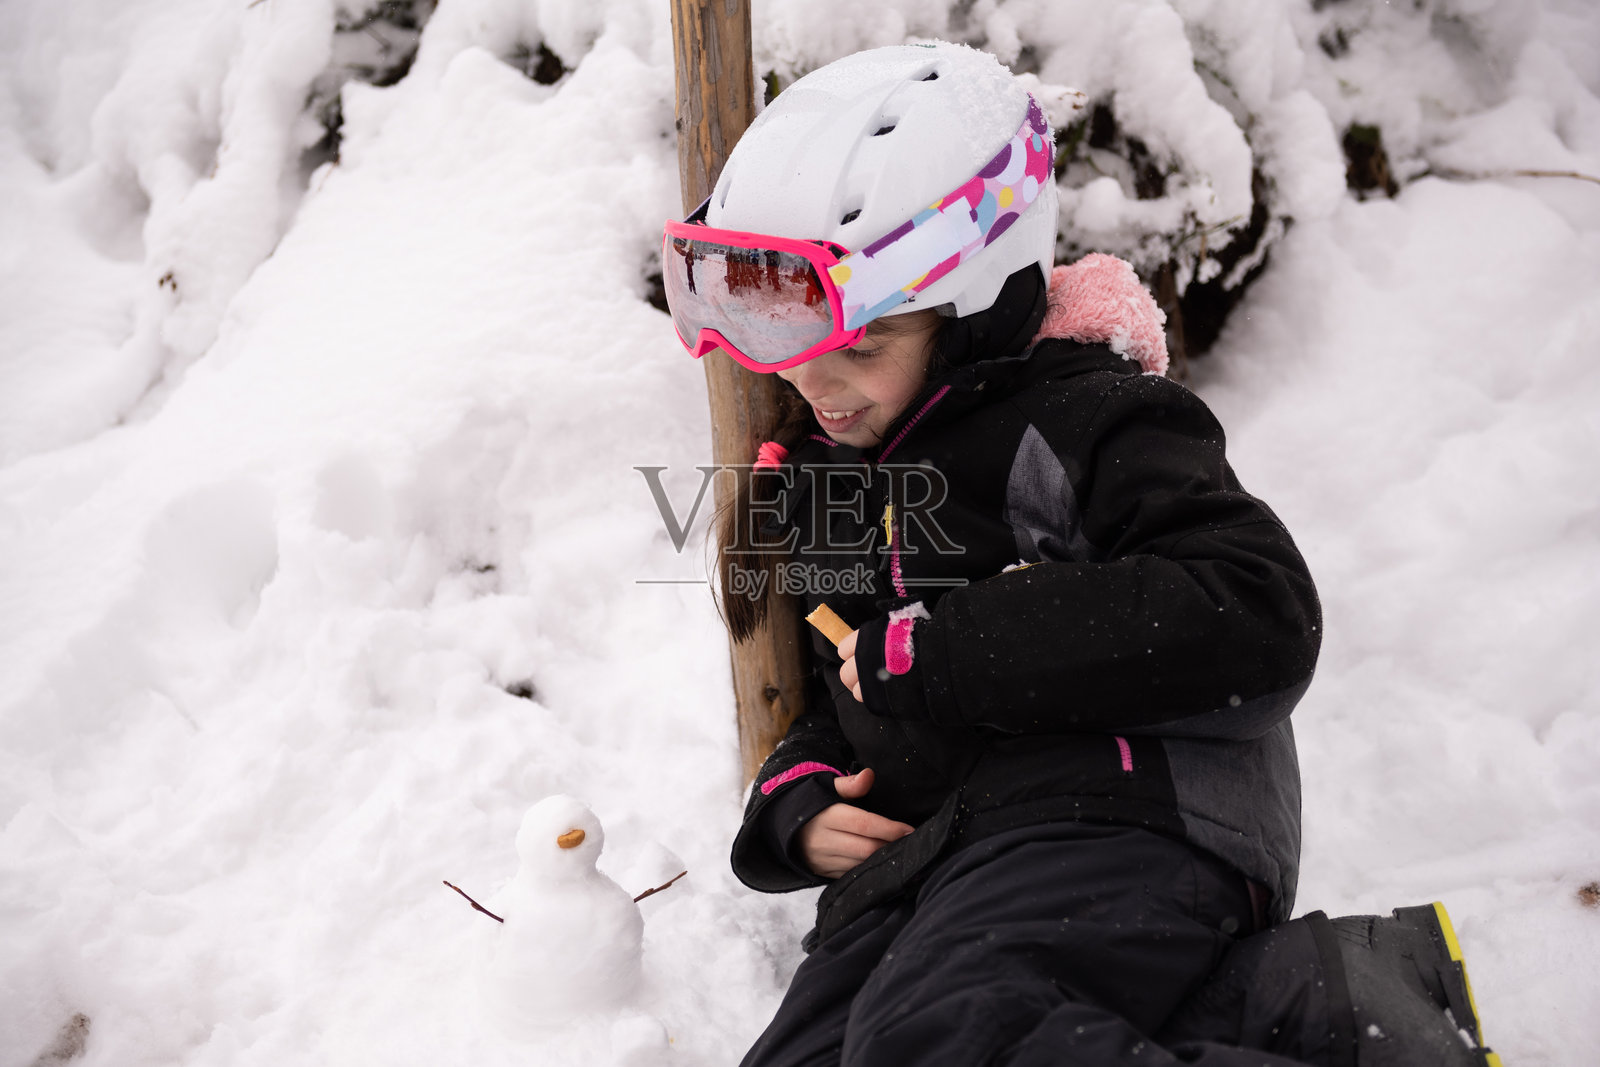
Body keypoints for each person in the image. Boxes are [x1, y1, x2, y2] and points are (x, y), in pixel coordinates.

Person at [662, 40, 1499, 1067]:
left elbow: (1259, 609)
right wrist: (796, 802)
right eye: (791, 342)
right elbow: (851, 685)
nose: (815, 382)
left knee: (944, 1036)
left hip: (1121, 809)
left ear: (975, 307)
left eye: (863, 345)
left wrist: (959, 646)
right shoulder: (830, 479)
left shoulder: (1085, 418)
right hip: (924, 868)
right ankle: (1299, 1009)